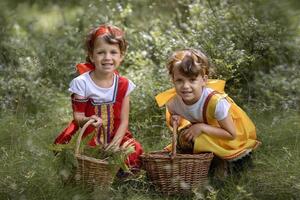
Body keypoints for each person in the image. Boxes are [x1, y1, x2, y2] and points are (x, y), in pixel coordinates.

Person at [155, 48, 261, 175]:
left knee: (201, 136)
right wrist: (175, 119)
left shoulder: (216, 102)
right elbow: (174, 116)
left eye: (192, 80)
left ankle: (223, 162)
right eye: (179, 80)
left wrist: (201, 127)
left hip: (229, 131)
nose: (185, 86)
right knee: (185, 137)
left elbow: (231, 134)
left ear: (204, 80)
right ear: (173, 80)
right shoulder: (173, 102)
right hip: (207, 128)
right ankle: (204, 162)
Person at [54, 24, 143, 172]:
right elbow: (78, 116)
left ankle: (122, 174)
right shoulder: (82, 83)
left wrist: (115, 143)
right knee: (83, 155)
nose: (107, 57)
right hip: (89, 135)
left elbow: (124, 120)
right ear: (91, 55)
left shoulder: (124, 84)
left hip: (115, 134)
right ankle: (91, 173)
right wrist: (89, 120)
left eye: (113, 52)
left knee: (134, 151)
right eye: (101, 52)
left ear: (121, 56)